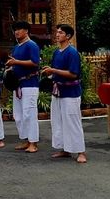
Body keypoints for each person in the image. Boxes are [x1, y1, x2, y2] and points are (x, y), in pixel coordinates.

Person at [42, 24, 87, 163]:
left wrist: (53, 71)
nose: (57, 34)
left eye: (61, 33)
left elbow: (73, 74)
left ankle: (81, 152)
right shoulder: (57, 52)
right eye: (57, 32)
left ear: (67, 36)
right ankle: (65, 149)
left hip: (70, 93)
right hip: (58, 91)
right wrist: (49, 73)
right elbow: (55, 70)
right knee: (58, 121)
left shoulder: (72, 52)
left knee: (72, 121)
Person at [6, 20, 40, 153]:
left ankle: (33, 142)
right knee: (18, 115)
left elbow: (35, 63)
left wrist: (17, 62)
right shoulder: (16, 47)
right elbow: (15, 63)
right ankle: (25, 139)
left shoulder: (31, 45)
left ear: (26, 31)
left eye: (19, 29)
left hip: (29, 83)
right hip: (18, 84)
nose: (16, 32)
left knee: (29, 113)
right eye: (15, 30)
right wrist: (10, 66)